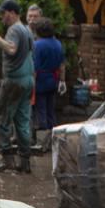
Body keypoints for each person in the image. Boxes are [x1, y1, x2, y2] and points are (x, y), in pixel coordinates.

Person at [0, 0, 35, 172]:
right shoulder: (27, 30)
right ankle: (25, 162)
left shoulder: (14, 29)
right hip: (28, 80)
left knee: (0, 117)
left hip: (15, 81)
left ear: (13, 13)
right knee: (22, 120)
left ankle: (7, 159)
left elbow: (11, 49)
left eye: (4, 13)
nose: (2, 17)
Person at [30, 17, 64, 153]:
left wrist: (31, 85)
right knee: (51, 109)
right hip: (53, 80)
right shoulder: (58, 44)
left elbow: (34, 68)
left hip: (40, 81)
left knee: (41, 110)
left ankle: (42, 142)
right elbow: (62, 64)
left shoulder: (37, 45)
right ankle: (54, 139)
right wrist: (62, 80)